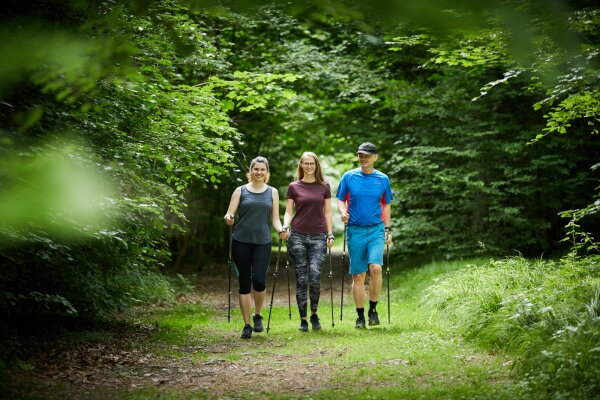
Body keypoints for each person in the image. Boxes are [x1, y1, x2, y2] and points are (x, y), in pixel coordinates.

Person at [224, 156, 285, 339]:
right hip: (241, 241)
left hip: (263, 242)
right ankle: (247, 325)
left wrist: (281, 229)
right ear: (250, 171)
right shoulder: (240, 191)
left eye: (262, 170)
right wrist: (228, 218)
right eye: (255, 169)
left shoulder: (272, 192)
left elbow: (275, 218)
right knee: (244, 283)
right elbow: (230, 213)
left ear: (267, 173)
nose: (259, 172)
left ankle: (257, 314)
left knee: (259, 280)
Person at [336, 143, 393, 329]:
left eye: (367, 155)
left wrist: (388, 229)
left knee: (376, 268)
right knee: (359, 275)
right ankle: (360, 315)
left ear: (375, 157)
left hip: (376, 229)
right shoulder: (349, 176)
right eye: (360, 155)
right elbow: (340, 199)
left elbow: (386, 205)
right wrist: (342, 212)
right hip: (355, 230)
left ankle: (373, 310)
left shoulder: (383, 179)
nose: (363, 158)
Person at [282, 152, 334, 331]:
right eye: (306, 163)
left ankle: (314, 314)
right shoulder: (293, 187)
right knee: (302, 278)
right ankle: (303, 319)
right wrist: (285, 226)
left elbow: (328, 212)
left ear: (316, 165)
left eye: (312, 163)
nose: (309, 166)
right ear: (301, 165)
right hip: (297, 235)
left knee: (315, 276)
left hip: (319, 236)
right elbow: (289, 211)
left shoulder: (324, 186)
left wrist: (330, 234)